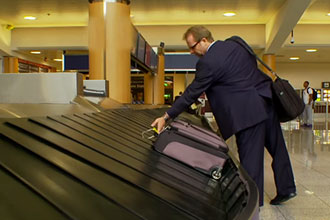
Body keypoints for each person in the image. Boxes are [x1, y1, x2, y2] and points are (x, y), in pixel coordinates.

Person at [151, 26, 296, 207]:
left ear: (204, 40)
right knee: (278, 149)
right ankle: (287, 187)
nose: (191, 51)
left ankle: (253, 204)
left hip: (246, 113)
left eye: (192, 46)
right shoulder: (237, 43)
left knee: (251, 159)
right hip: (266, 101)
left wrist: (166, 116)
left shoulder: (208, 62)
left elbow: (191, 93)